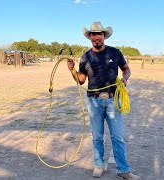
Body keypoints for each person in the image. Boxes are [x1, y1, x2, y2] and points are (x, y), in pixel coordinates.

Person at [67, 21, 138, 180]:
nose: (96, 37)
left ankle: (123, 170)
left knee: (117, 137)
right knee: (97, 136)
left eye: (99, 34)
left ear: (104, 36)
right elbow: (81, 80)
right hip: (94, 101)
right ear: (90, 37)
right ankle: (99, 165)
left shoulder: (115, 53)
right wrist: (72, 70)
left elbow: (126, 69)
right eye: (93, 34)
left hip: (113, 100)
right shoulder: (85, 57)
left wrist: (125, 78)